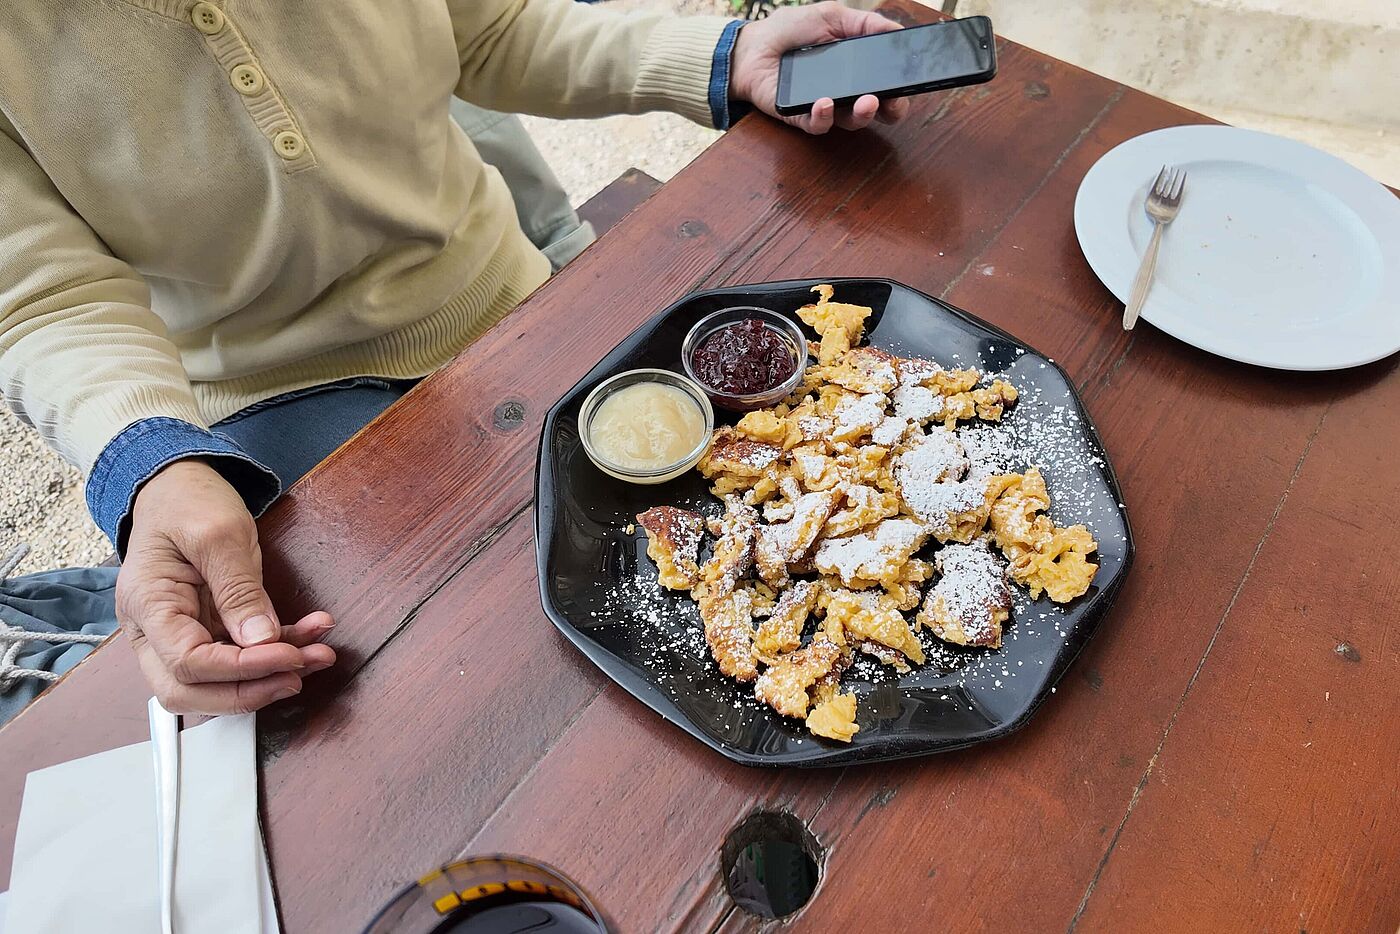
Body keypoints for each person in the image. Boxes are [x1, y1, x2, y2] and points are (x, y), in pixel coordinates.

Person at [0, 0, 909, 720]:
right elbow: (43, 296)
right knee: (414, 686)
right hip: (269, 389)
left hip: (503, 291)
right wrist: (148, 463)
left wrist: (724, 55)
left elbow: (497, 27)